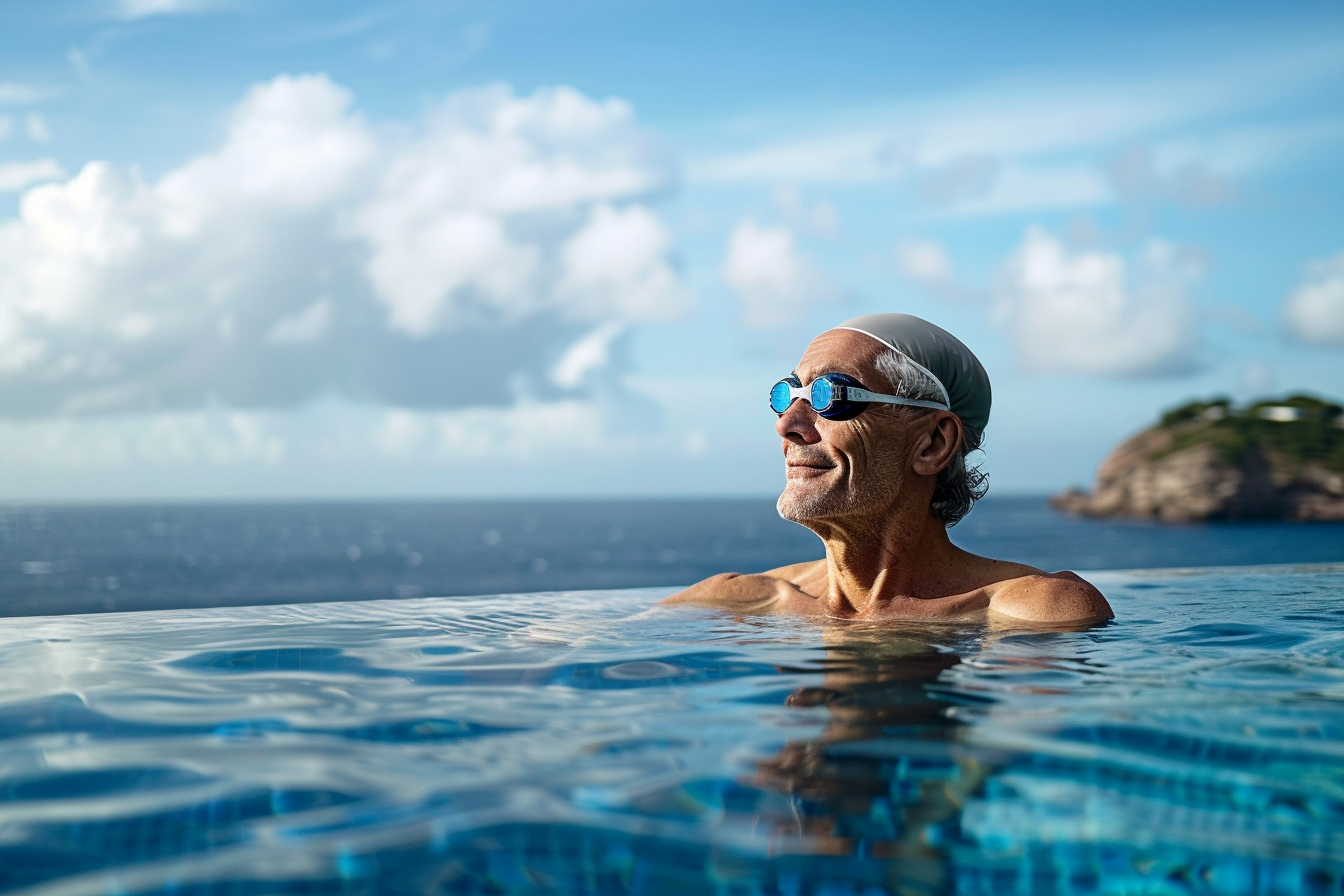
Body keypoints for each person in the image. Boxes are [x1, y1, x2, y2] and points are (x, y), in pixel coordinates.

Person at [664, 313, 1113, 625]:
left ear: (933, 443)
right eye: (788, 394)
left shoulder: (1036, 610)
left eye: (830, 396)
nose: (788, 426)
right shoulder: (738, 602)